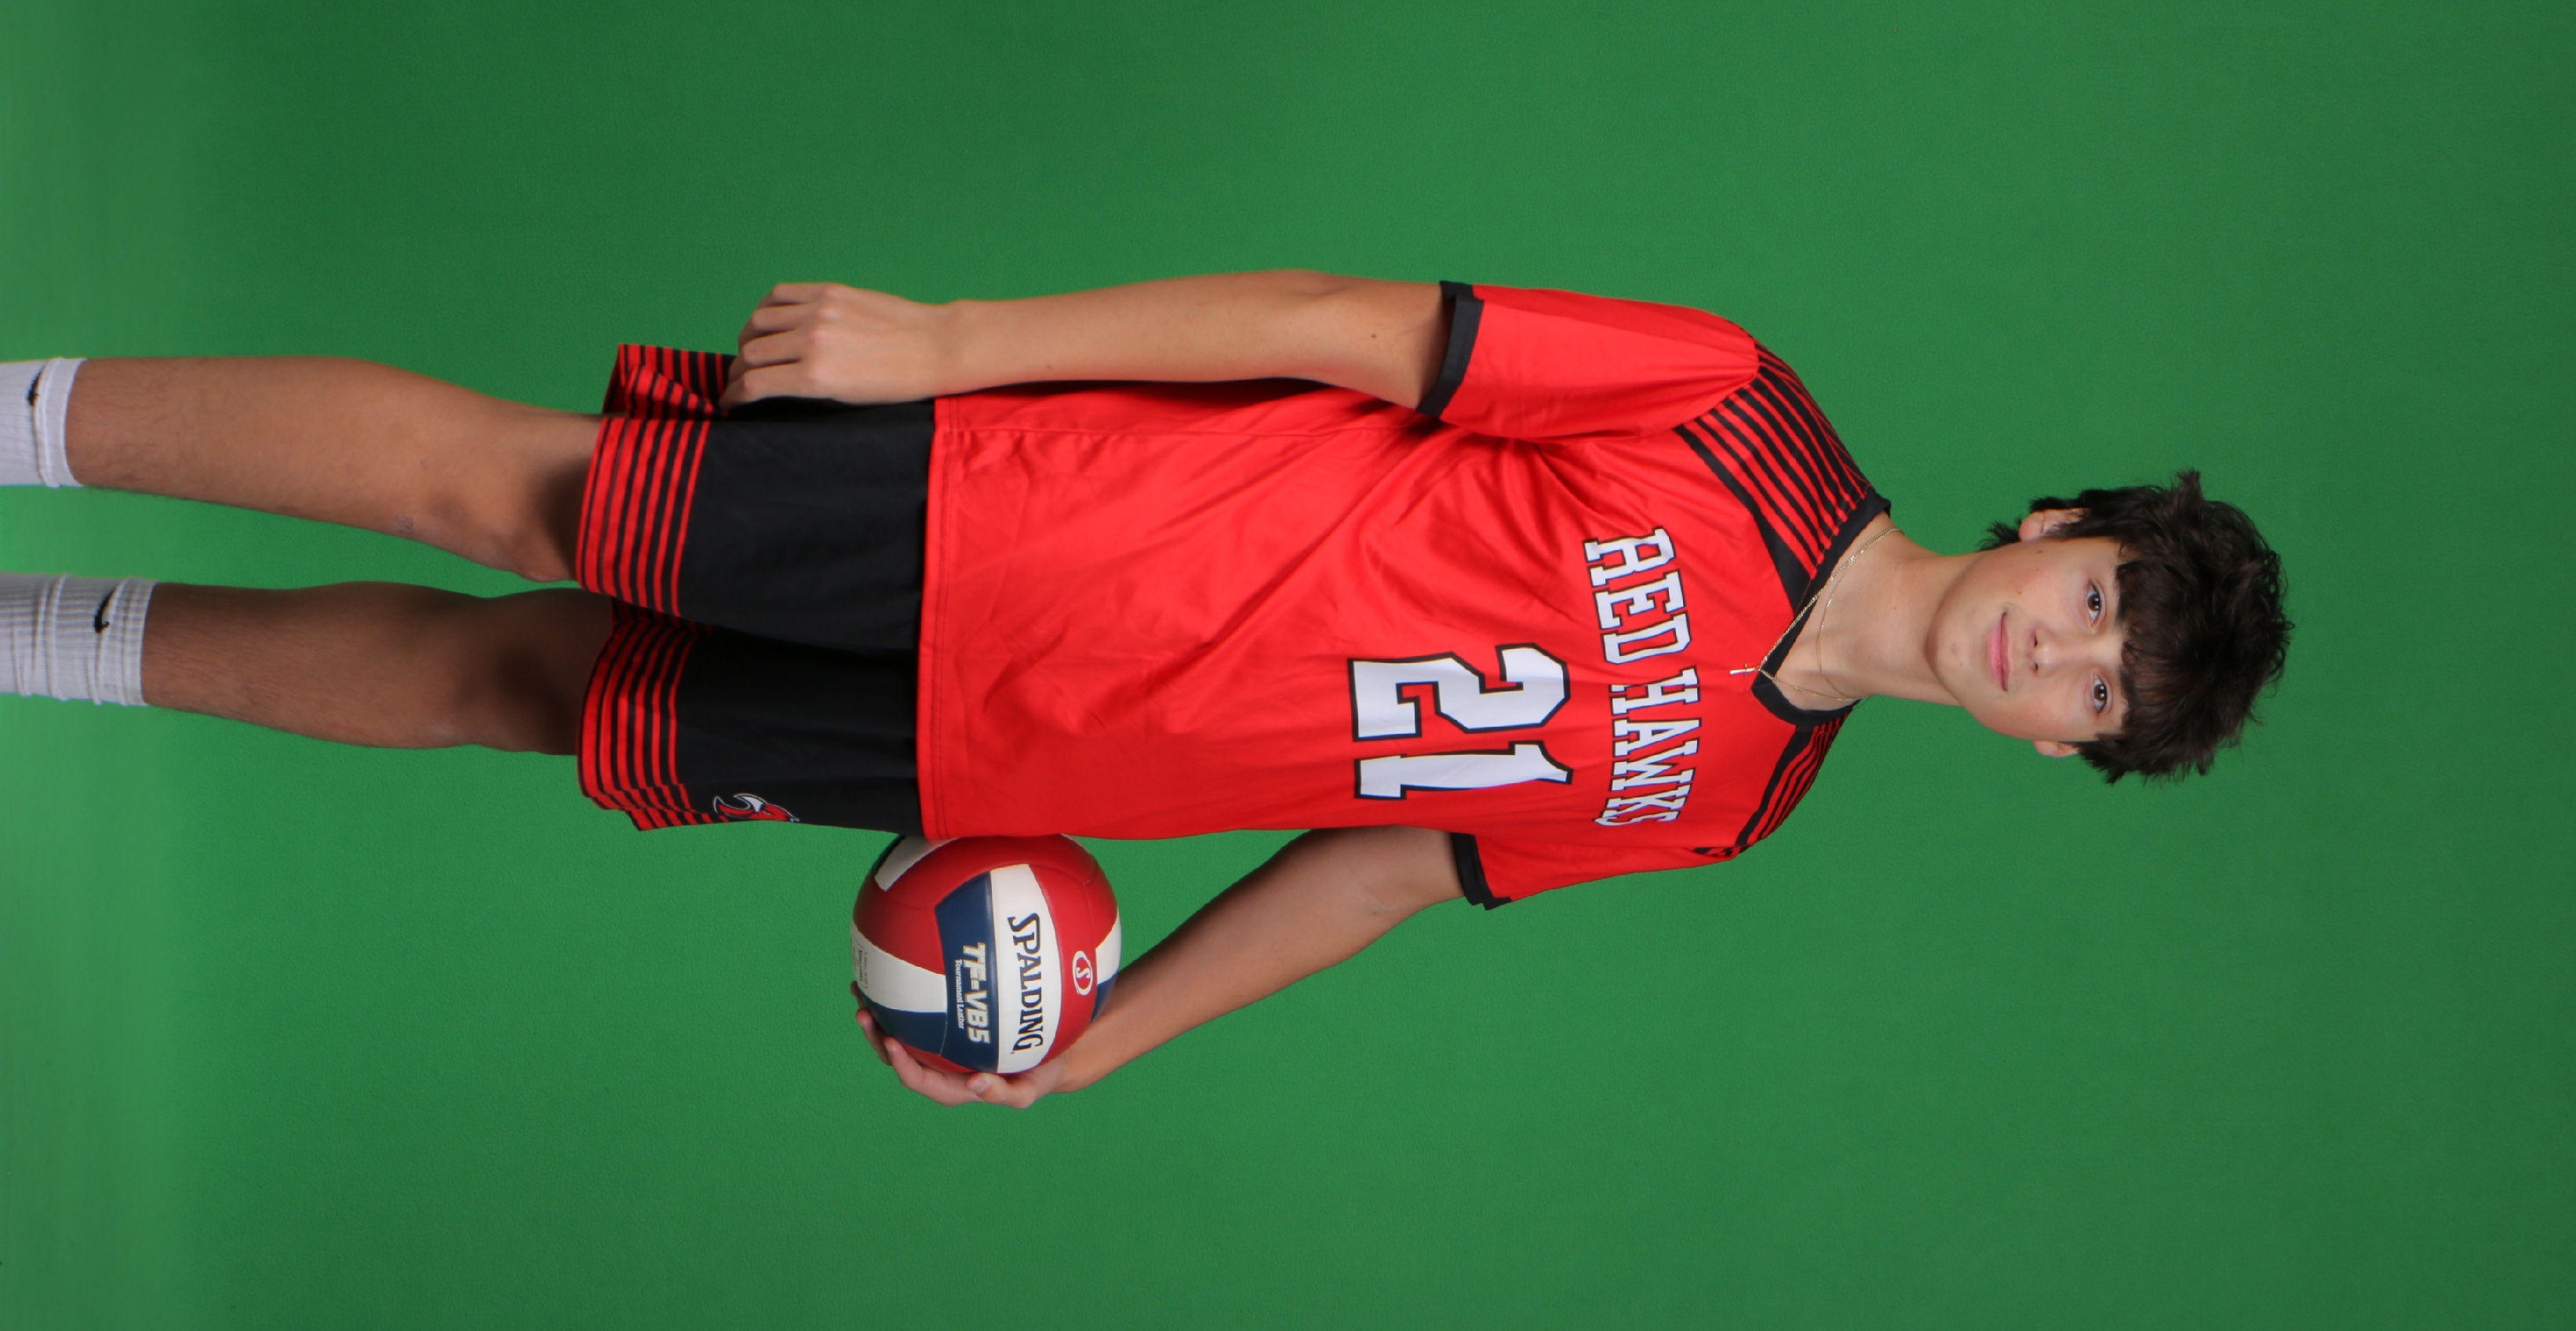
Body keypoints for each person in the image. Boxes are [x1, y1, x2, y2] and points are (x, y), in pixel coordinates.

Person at [0, 272, 2290, 1107]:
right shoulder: (1729, 410)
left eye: (2101, 698)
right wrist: (953, 345)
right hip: (1018, 513)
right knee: (520, 500)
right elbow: (1345, 331)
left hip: (989, 749)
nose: (2065, 652)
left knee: (519, 694)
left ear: (2049, 750)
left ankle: (26, 640)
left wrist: (1107, 1041)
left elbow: (1382, 871)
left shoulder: (1731, 805)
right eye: (2099, 600)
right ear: (2051, 521)